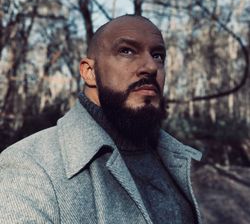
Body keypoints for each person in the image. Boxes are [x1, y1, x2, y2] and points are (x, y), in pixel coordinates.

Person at [0, 15, 202, 223]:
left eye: (158, 55)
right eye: (127, 51)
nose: (151, 66)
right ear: (89, 73)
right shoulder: (30, 166)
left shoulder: (178, 161)